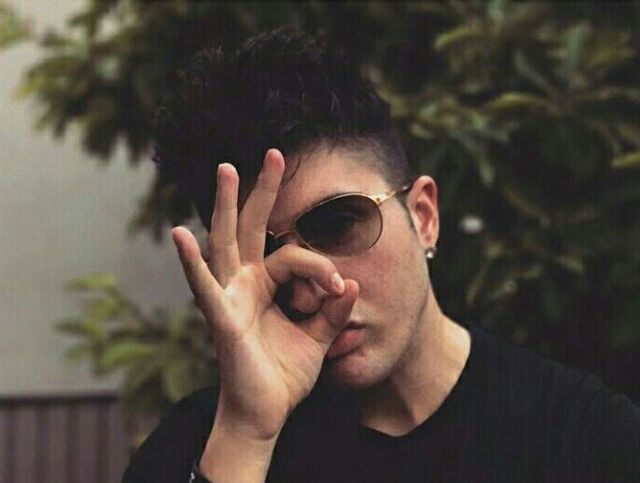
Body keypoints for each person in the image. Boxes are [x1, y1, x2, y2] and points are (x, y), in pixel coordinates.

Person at [123, 26, 640, 483]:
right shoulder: (202, 447)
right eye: (267, 256)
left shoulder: (583, 438)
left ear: (424, 216)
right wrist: (246, 435)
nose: (309, 291)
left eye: (339, 223)